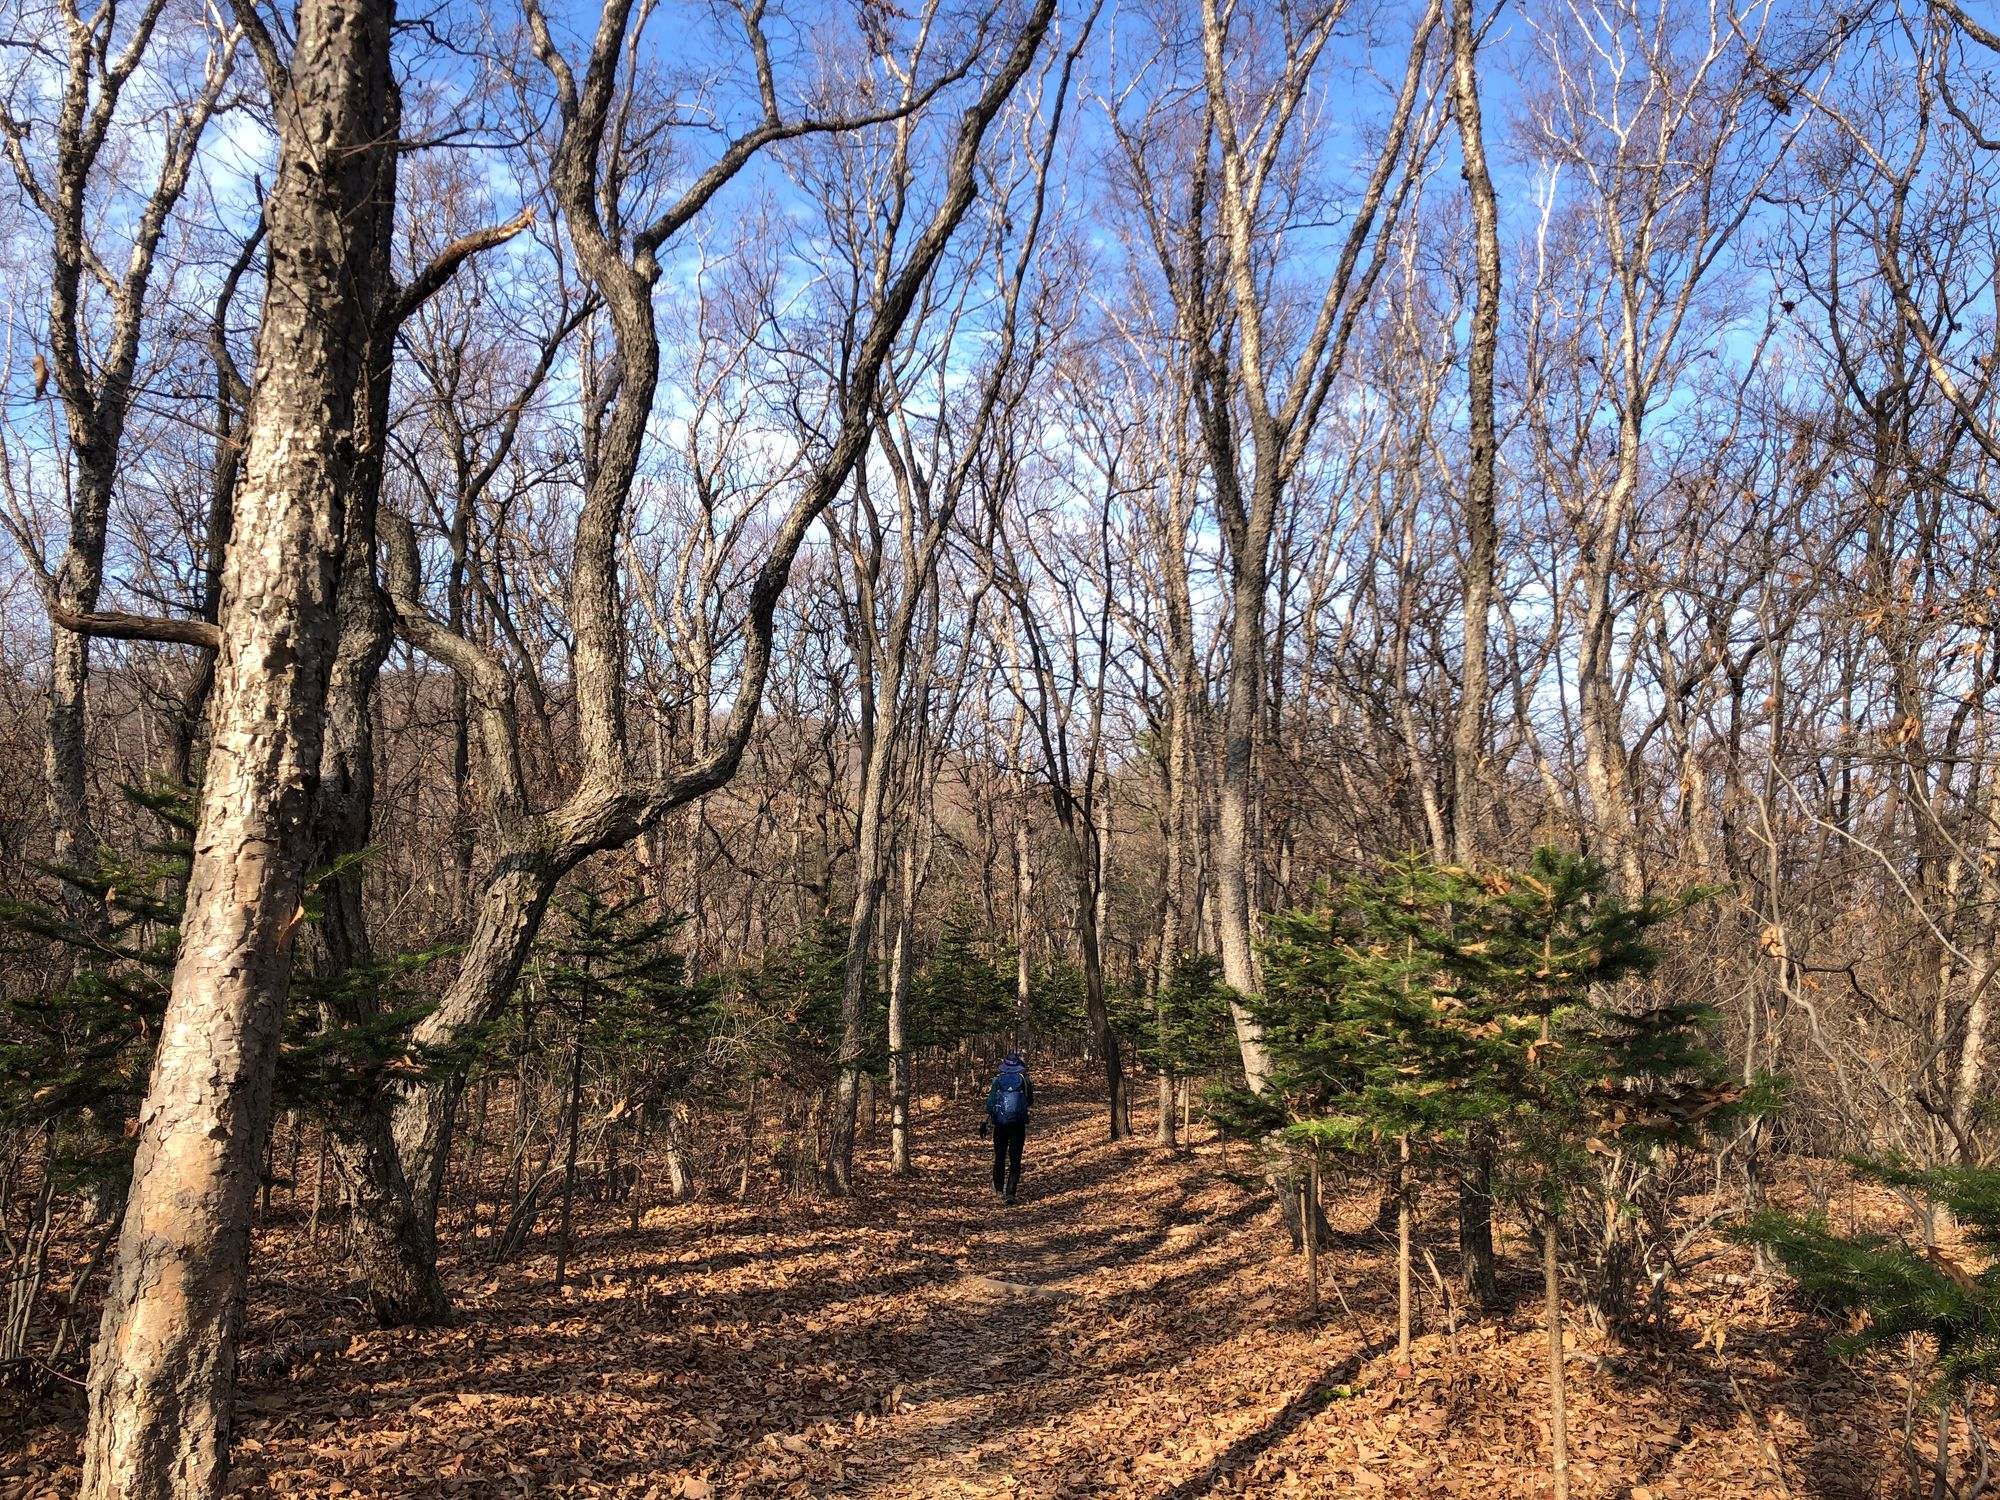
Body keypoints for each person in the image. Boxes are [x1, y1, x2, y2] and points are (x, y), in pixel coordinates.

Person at [982, 1050, 1033, 1204]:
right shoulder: (1025, 1080)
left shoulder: (997, 1080)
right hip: (1018, 1124)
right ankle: (1011, 1193)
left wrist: (984, 1121)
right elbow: (1030, 1101)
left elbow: (991, 1103)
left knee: (1000, 1155)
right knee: (1015, 1158)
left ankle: (998, 1190)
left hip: (1000, 1123)